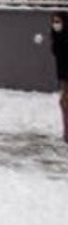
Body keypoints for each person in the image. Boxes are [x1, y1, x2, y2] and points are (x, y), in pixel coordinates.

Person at [51, 11, 68, 143]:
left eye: (58, 22)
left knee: (64, 103)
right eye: (54, 22)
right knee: (64, 104)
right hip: (63, 75)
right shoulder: (57, 37)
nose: (55, 25)